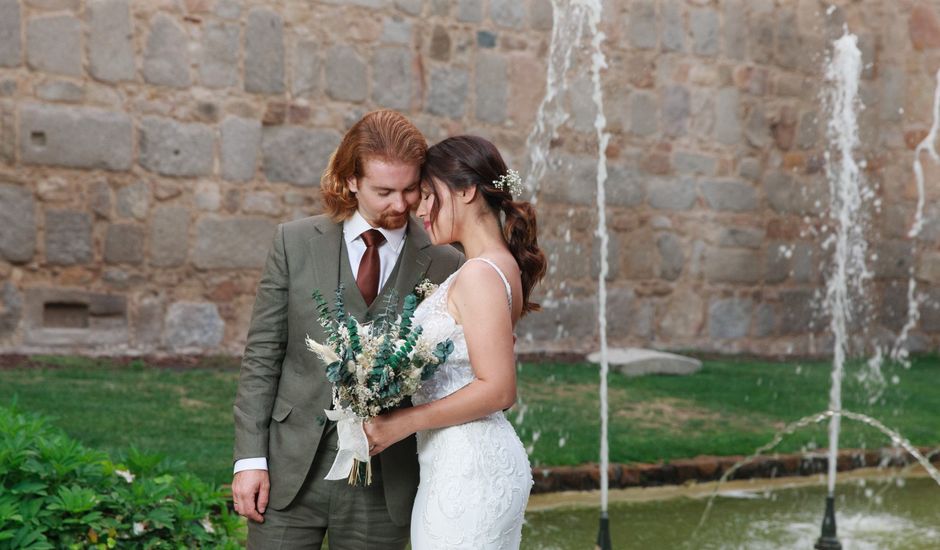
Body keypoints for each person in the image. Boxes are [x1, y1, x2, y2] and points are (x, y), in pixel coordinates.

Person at [231, 110, 463, 549]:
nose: (400, 205)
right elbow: (262, 358)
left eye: (410, 189)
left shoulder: (446, 261)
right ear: (351, 180)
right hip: (290, 470)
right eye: (384, 191)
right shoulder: (293, 243)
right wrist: (249, 460)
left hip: (387, 480)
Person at [363, 135, 547, 549]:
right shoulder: (496, 267)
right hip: (457, 462)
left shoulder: (481, 274)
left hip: (467, 473)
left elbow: (499, 389)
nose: (420, 209)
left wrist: (399, 424)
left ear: (465, 191)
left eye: (428, 195)